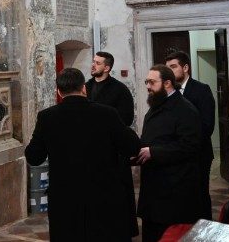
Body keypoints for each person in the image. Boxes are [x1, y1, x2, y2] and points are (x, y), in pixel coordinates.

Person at [26, 68, 140, 241]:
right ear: (84, 88)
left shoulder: (47, 117)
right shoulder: (107, 113)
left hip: (65, 197)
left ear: (59, 91)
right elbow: (131, 147)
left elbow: (34, 156)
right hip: (103, 195)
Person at [136, 64, 202, 242]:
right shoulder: (156, 106)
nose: (148, 86)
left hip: (173, 189)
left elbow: (190, 147)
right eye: (146, 82)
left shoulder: (185, 110)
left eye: (151, 82)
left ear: (167, 83)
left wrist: (154, 152)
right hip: (154, 186)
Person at [85, 51, 137, 237]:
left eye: (97, 63)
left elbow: (126, 119)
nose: (93, 65)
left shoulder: (120, 90)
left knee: (116, 197)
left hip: (113, 153)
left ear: (107, 68)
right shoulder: (86, 87)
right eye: (93, 62)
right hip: (90, 152)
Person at [165, 51, 217, 220]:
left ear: (185, 67)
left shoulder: (201, 90)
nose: (169, 71)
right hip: (176, 155)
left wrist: (185, 144)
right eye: (167, 68)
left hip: (198, 154)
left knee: (200, 195)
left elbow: (207, 125)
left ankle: (205, 231)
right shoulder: (168, 92)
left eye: (173, 67)